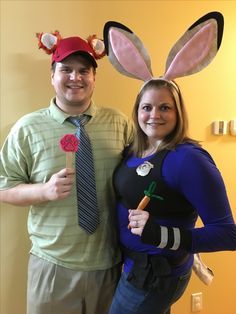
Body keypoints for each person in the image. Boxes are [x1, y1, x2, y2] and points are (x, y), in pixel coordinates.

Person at [103, 13, 236, 314]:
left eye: (165, 108)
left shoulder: (189, 159)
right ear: (136, 111)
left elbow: (228, 234)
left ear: (178, 112)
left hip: (155, 278)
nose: (155, 115)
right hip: (131, 269)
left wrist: (158, 234)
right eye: (147, 107)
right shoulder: (135, 149)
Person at [0, 30, 133, 314]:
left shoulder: (120, 124)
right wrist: (42, 191)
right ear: (52, 75)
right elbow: (4, 187)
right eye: (66, 70)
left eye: (84, 70)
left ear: (94, 77)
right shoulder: (27, 128)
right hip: (52, 267)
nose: (76, 77)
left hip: (109, 265)